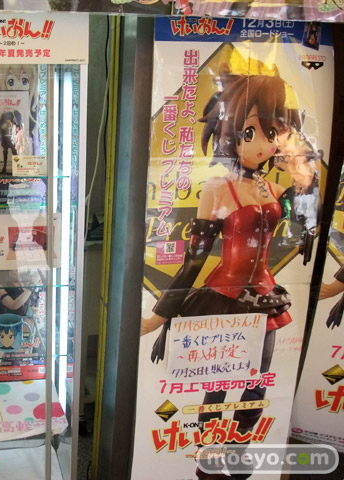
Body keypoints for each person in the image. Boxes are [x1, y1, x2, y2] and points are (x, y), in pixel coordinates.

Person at [140, 67, 320, 480]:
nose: (264, 143)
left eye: (273, 132)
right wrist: (162, 313)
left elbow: (306, 219)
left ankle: (237, 456)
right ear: (231, 134)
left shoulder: (275, 190)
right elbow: (195, 258)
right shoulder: (217, 188)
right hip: (224, 299)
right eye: (251, 132)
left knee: (256, 386)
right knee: (218, 388)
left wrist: (299, 165)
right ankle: (208, 462)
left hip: (267, 300)